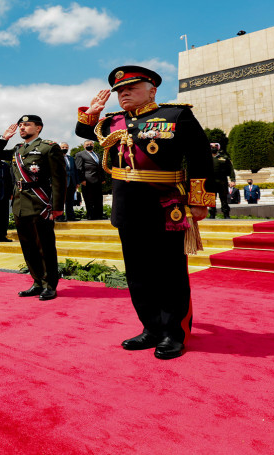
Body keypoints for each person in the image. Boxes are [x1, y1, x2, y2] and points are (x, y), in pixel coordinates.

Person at [75, 65, 215, 360]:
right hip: (127, 207)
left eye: (131, 88)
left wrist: (199, 200)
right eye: (120, 90)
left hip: (166, 205)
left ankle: (174, 334)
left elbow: (200, 157)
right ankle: (150, 328)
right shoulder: (112, 122)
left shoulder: (176, 116)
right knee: (138, 274)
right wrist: (93, 112)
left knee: (169, 273)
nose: (123, 93)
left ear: (152, 90)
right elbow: (84, 131)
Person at [0, 115, 66, 301]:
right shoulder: (18, 149)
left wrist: (57, 206)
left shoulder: (48, 147)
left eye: (27, 125)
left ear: (38, 128)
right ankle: (37, 282)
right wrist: (4, 138)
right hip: (20, 204)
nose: (22, 128)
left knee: (45, 246)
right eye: (21, 125)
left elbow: (59, 178)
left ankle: (50, 285)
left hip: (41, 203)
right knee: (28, 246)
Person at [75, 140, 105, 219]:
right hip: (87, 180)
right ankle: (90, 215)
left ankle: (99, 215)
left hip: (98, 180)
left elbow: (100, 167)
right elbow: (79, 168)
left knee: (98, 199)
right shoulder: (80, 154)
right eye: (87, 144)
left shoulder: (97, 154)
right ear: (84, 146)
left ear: (93, 145)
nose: (89, 145)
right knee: (89, 199)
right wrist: (82, 180)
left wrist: (103, 178)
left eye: (91, 144)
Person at [208, 143, 235, 219]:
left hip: (222, 181)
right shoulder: (206, 158)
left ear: (218, 148)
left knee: (224, 199)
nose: (213, 148)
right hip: (211, 182)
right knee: (211, 199)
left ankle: (226, 214)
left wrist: (232, 180)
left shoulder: (224, 158)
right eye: (211, 147)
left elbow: (230, 169)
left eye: (215, 146)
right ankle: (212, 214)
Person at [57, 143, 79, 221]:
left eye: (66, 147)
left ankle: (70, 217)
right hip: (61, 183)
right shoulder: (56, 158)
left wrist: (77, 182)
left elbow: (75, 171)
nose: (65, 148)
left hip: (72, 182)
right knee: (60, 200)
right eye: (63, 147)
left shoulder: (71, 158)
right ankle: (59, 217)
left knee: (70, 200)